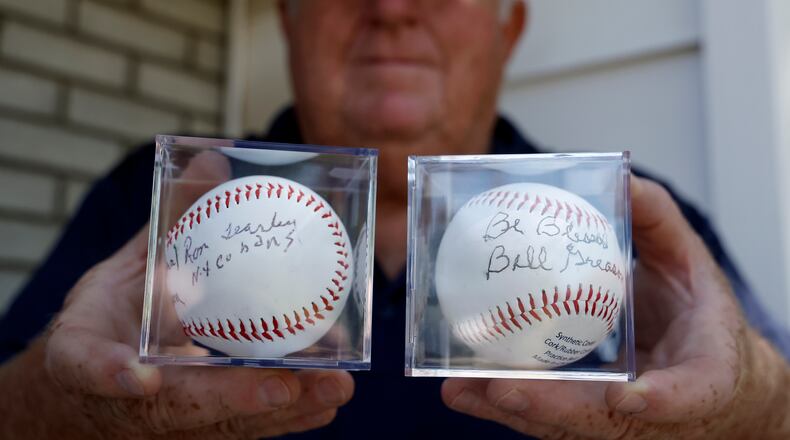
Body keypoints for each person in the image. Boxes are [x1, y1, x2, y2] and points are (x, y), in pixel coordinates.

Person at [1, 1, 788, 438]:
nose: (392, 9)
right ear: (288, 17)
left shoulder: (635, 227)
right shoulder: (151, 206)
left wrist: (751, 400)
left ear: (507, 24)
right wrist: (62, 400)